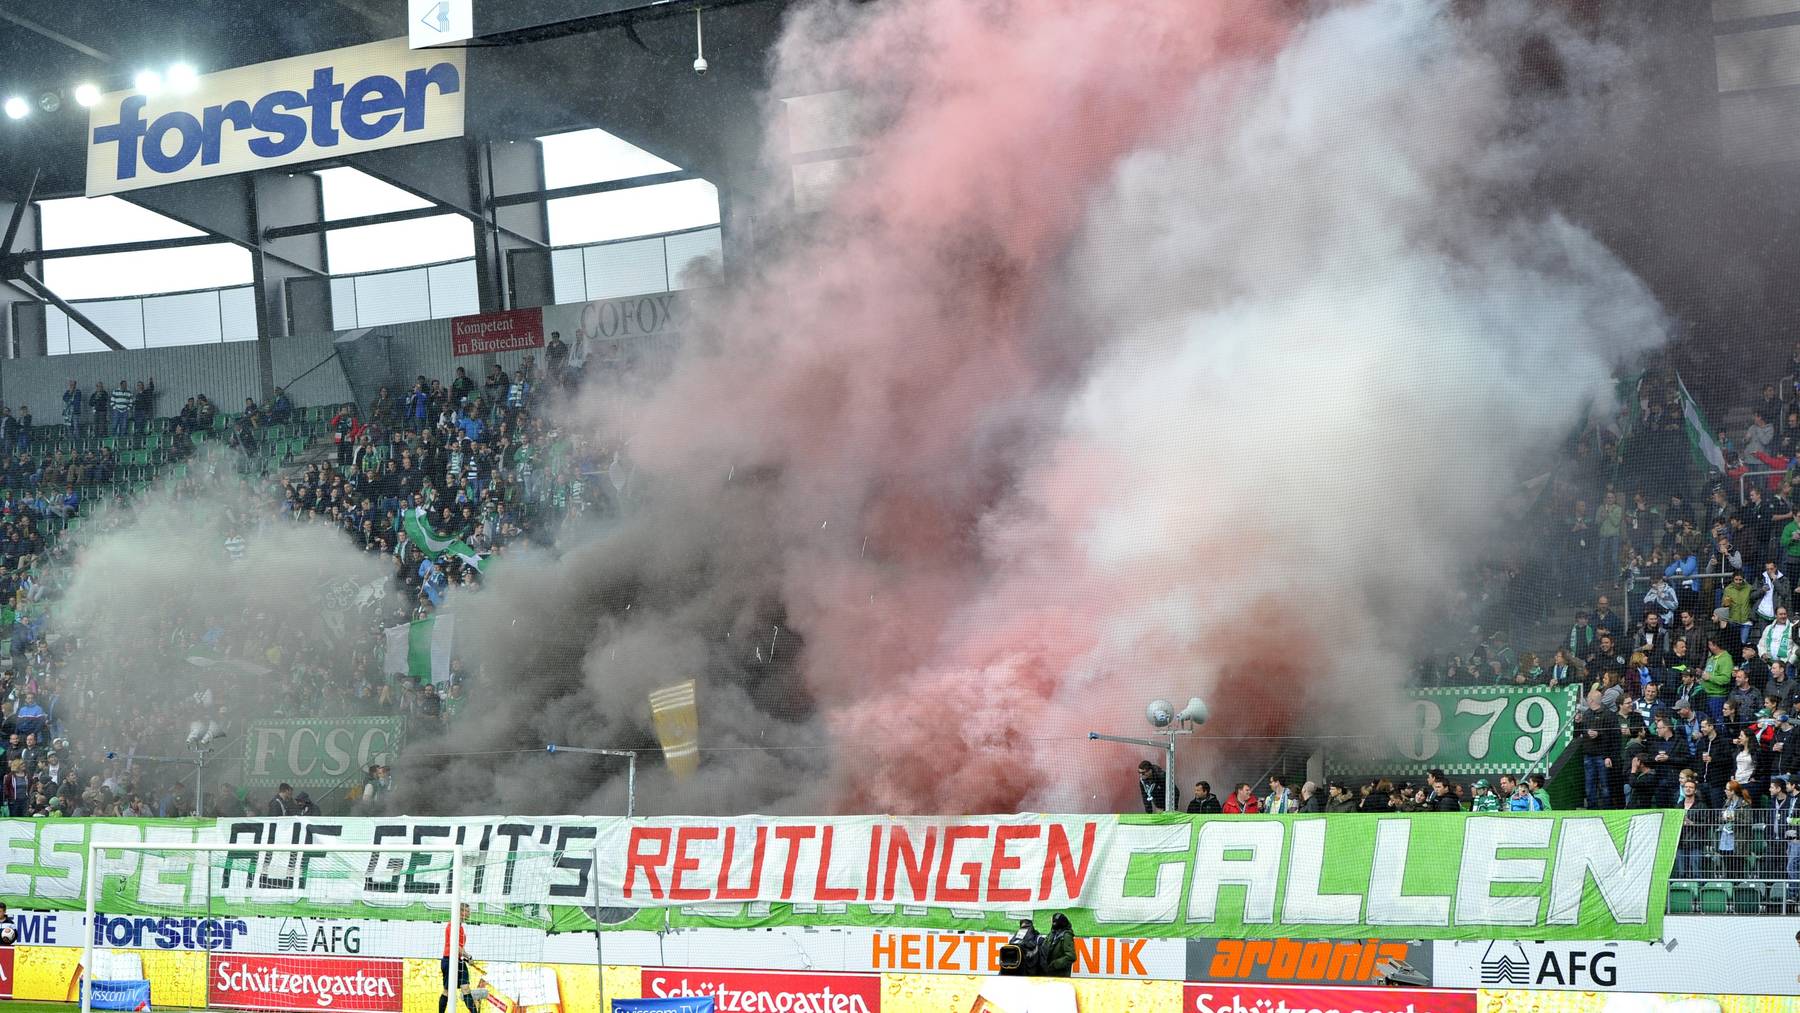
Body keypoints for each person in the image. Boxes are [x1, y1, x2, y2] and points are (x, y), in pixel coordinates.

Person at [440, 902, 479, 1013]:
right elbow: (455, 946)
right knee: (447, 991)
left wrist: (466, 958)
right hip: (449, 960)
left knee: (466, 988)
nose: (469, 913)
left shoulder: (460, 927)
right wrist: (468, 956)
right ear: (461, 912)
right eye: (467, 911)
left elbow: (459, 948)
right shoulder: (452, 926)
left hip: (458, 960)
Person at [1041, 913, 1075, 978]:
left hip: (1060, 975)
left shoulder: (1066, 936)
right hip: (1049, 972)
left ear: (1057, 923)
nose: (1051, 922)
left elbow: (1071, 956)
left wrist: (1055, 964)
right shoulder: (1053, 932)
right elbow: (1045, 945)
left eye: (1053, 921)